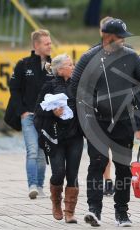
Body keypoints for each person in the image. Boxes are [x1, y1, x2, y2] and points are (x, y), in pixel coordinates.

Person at [69, 18, 140, 227]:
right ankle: (94, 210)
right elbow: (74, 87)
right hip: (96, 122)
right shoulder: (89, 57)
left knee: (123, 168)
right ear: (107, 37)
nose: (123, 40)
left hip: (123, 122)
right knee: (97, 164)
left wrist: (135, 108)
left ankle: (122, 213)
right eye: (120, 37)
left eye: (124, 37)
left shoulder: (131, 57)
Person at [34, 54, 84, 223]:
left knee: (72, 173)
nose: (73, 67)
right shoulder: (49, 85)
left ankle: (70, 211)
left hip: (75, 135)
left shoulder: (78, 85)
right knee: (58, 173)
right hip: (55, 137)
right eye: (70, 65)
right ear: (61, 69)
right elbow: (38, 113)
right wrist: (52, 112)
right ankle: (56, 202)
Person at [9, 29, 53, 199]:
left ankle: (40, 186)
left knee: (42, 153)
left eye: (50, 43)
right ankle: (32, 185)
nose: (50, 46)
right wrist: (22, 112)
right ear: (36, 45)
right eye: (46, 43)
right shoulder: (23, 65)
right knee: (32, 150)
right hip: (29, 117)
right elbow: (14, 90)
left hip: (46, 118)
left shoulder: (52, 65)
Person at [99, 16, 115, 196]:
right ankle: (108, 180)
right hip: (102, 109)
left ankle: (123, 178)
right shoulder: (94, 52)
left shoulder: (127, 52)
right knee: (103, 148)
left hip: (119, 108)